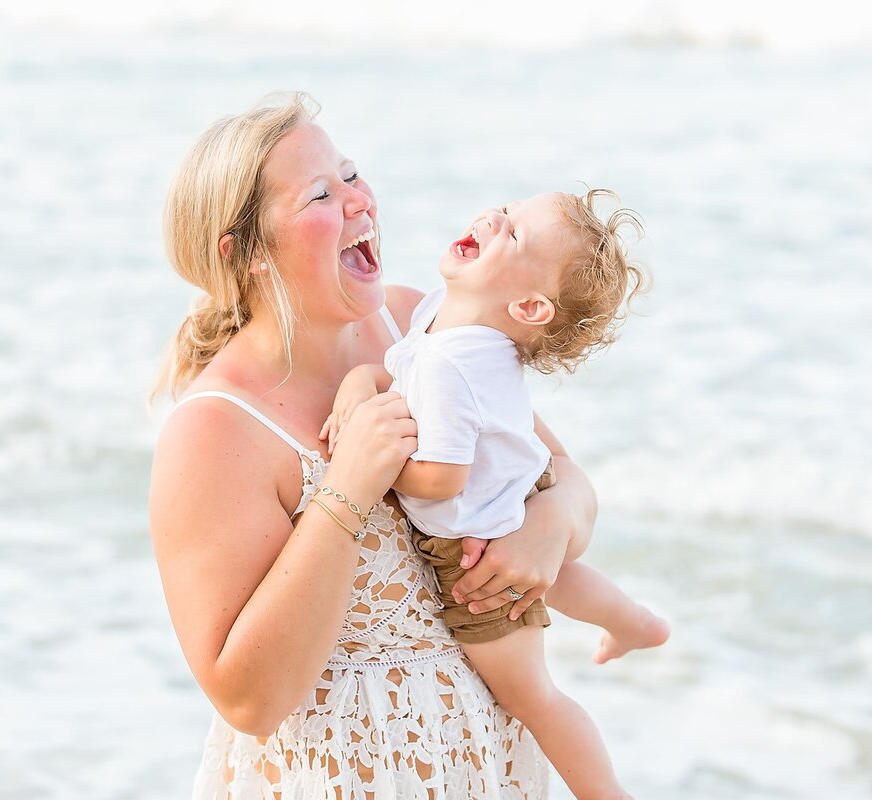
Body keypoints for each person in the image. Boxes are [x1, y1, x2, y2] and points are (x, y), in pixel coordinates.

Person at [147, 93, 601, 799]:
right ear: (249, 255)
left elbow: (561, 472)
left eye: (352, 173)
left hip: (487, 770)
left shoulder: (413, 324)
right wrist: (346, 492)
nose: (360, 200)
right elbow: (249, 702)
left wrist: (554, 524)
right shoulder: (214, 430)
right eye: (323, 193)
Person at [319, 190, 669, 798]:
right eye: (504, 209)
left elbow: (442, 478)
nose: (490, 218)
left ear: (530, 305)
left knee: (532, 694)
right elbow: (401, 371)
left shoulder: (452, 361)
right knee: (548, 573)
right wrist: (360, 380)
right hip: (512, 486)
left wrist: (377, 468)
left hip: (472, 531)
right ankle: (630, 620)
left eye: (512, 235)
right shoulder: (446, 319)